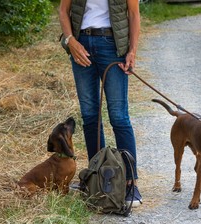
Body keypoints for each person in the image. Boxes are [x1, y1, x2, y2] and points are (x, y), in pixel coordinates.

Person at [59, 0, 142, 207]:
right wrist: (70, 41)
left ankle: (130, 183)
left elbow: (133, 14)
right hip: (81, 45)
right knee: (89, 116)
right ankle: (96, 177)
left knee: (119, 116)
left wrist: (132, 51)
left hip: (113, 46)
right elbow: (63, 10)